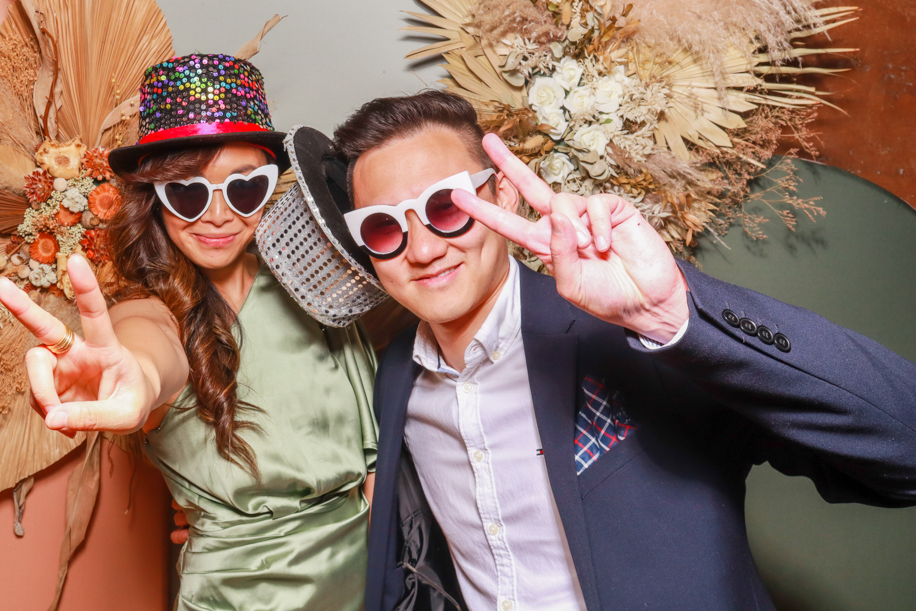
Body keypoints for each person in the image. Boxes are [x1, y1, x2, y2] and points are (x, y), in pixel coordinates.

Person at [329, 91, 916, 611]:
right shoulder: (393, 375)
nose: (423, 249)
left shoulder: (633, 337)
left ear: (503, 195)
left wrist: (675, 316)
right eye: (384, 227)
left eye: (446, 207)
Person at [0, 53, 378, 611]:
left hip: (371, 580)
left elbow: (377, 461)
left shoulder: (316, 283)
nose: (219, 215)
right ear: (154, 199)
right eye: (189, 193)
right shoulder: (150, 310)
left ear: (272, 185)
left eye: (244, 188)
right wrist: (136, 379)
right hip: (236, 598)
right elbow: (147, 352)